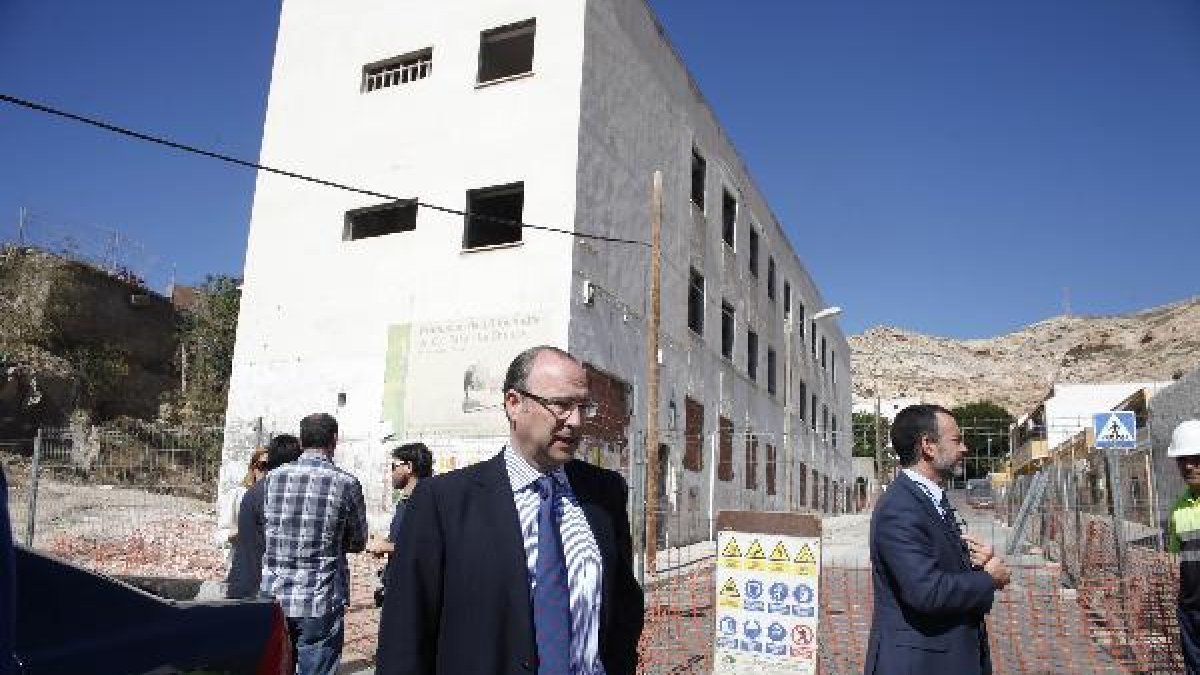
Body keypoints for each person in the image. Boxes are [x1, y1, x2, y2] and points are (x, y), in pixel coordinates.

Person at [375, 346, 644, 675]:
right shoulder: (443, 502)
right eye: (561, 405)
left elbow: (623, 606)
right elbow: (404, 637)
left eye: (583, 407)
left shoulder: (604, 493)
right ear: (514, 403)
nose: (575, 421)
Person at [864, 404, 1010, 675]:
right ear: (928, 446)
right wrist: (988, 579)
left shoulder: (930, 499)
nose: (964, 448)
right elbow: (926, 591)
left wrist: (977, 564)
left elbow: (940, 567)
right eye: (956, 440)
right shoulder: (900, 507)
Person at [260, 414, 367, 675]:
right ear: (334, 440)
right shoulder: (347, 483)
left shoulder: (273, 478)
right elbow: (358, 541)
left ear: (301, 440)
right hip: (320, 598)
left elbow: (267, 527)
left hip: (274, 595)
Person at [225, 434, 302, 599]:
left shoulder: (254, 493)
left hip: (246, 584)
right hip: (261, 588)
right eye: (261, 465)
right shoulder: (279, 494)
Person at [366, 442, 433, 607]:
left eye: (393, 467)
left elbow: (428, 547)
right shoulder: (405, 501)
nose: (391, 473)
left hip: (413, 592)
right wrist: (385, 544)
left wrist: (386, 547)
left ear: (408, 467)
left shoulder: (426, 502)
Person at [1166, 420, 1200, 674]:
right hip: (1190, 611)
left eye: (1196, 459)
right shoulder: (1178, 508)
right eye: (1182, 459)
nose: (1188, 466)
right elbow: (1176, 559)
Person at [215, 447, 269, 550]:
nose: (266, 472)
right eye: (262, 465)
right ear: (253, 468)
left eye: (272, 467)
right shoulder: (237, 495)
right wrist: (242, 531)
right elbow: (220, 537)